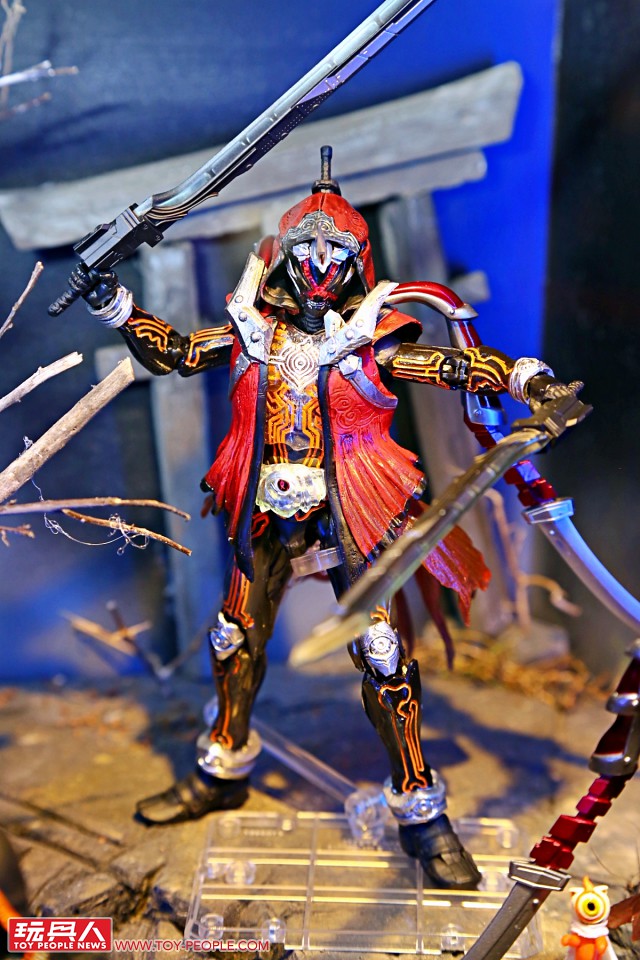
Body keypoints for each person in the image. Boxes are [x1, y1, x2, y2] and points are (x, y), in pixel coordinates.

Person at [74, 148, 570, 890]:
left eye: (334, 252)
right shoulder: (252, 332)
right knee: (232, 637)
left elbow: (453, 365)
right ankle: (222, 767)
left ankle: (422, 814)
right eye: (305, 249)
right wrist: (112, 302)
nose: (316, 265)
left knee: (384, 655)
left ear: (355, 263)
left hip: (350, 515)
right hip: (265, 512)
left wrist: (528, 378)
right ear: (282, 255)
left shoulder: (370, 344)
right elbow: (175, 353)